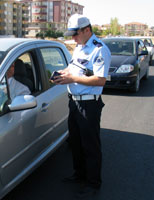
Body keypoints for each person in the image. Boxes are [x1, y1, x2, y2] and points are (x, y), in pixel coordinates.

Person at [53, 14, 111, 198]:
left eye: (75, 34)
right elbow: (74, 68)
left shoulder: (99, 50)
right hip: (74, 102)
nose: (73, 38)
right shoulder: (79, 47)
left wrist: (72, 79)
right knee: (75, 143)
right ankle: (79, 175)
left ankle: (93, 184)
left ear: (87, 30)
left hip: (89, 105)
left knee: (90, 146)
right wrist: (63, 74)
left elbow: (100, 80)